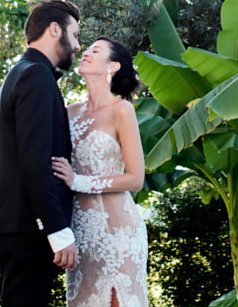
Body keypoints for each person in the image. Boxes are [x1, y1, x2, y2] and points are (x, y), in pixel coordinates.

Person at [0, 0, 82, 307]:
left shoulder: (22, 72)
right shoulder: (36, 76)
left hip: (22, 227)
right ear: (55, 30)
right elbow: (35, 159)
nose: (78, 47)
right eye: (76, 35)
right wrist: (56, 229)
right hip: (30, 228)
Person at [51, 37, 148, 307]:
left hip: (118, 234)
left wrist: (78, 180)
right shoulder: (67, 113)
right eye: (87, 49)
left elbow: (135, 178)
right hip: (79, 234)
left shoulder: (122, 110)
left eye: (96, 50)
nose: (86, 53)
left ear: (113, 66)